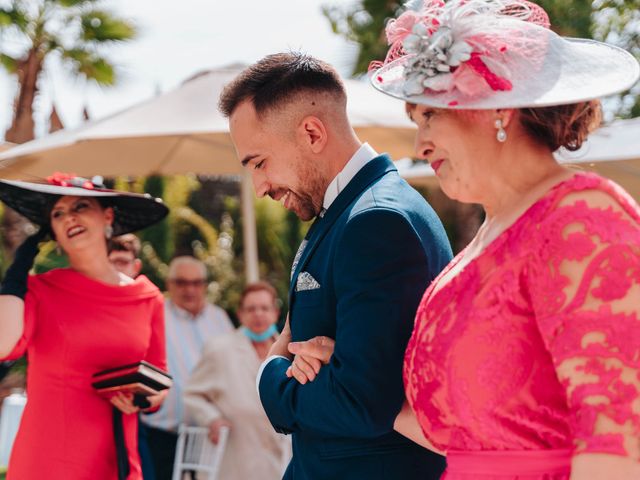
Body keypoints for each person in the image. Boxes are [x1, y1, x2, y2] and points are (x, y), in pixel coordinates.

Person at [295, 1, 640, 479]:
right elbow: (460, 434)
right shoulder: (482, 243)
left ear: (495, 106)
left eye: (429, 117)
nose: (419, 146)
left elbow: (619, 441)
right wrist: (349, 372)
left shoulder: (580, 217)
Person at [220, 52, 452, 479]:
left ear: (311, 132)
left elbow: (360, 402)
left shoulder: (377, 221)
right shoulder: (346, 214)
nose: (260, 186)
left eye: (259, 162)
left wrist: (270, 376)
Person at [0, 173, 169, 480]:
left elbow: (160, 378)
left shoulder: (148, 297)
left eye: (80, 206)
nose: (69, 218)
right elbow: (3, 344)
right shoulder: (39, 290)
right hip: (46, 461)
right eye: (58, 213)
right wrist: (16, 274)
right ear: (52, 230)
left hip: (114, 458)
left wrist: (146, 397)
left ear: (107, 216)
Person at [184, 281, 291, 480]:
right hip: (234, 459)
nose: (258, 314)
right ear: (240, 314)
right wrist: (212, 419)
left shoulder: (290, 351)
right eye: (251, 309)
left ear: (276, 313)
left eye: (264, 308)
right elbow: (192, 394)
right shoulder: (219, 349)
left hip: (279, 460)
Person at [141, 256, 233, 480]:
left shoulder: (218, 318)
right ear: (169, 284)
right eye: (181, 282)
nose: (189, 289)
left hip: (210, 435)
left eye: (196, 282)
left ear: (204, 284)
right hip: (164, 433)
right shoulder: (155, 315)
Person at [108, 233, 157, 480]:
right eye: (112, 262)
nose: (118, 269)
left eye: (123, 262)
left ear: (136, 266)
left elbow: (160, 369)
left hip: (137, 414)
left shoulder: (150, 304)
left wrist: (145, 400)